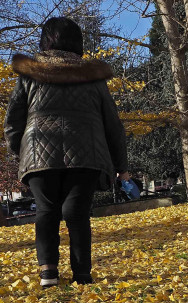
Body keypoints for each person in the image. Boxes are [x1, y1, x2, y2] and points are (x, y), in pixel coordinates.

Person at [4, 17, 128, 287]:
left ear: (46, 40)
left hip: (38, 150)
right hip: (86, 153)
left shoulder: (30, 74)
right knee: (77, 212)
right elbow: (113, 123)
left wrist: (21, 151)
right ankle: (82, 274)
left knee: (46, 210)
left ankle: (48, 273)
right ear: (77, 42)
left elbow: (13, 120)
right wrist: (121, 164)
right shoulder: (92, 77)